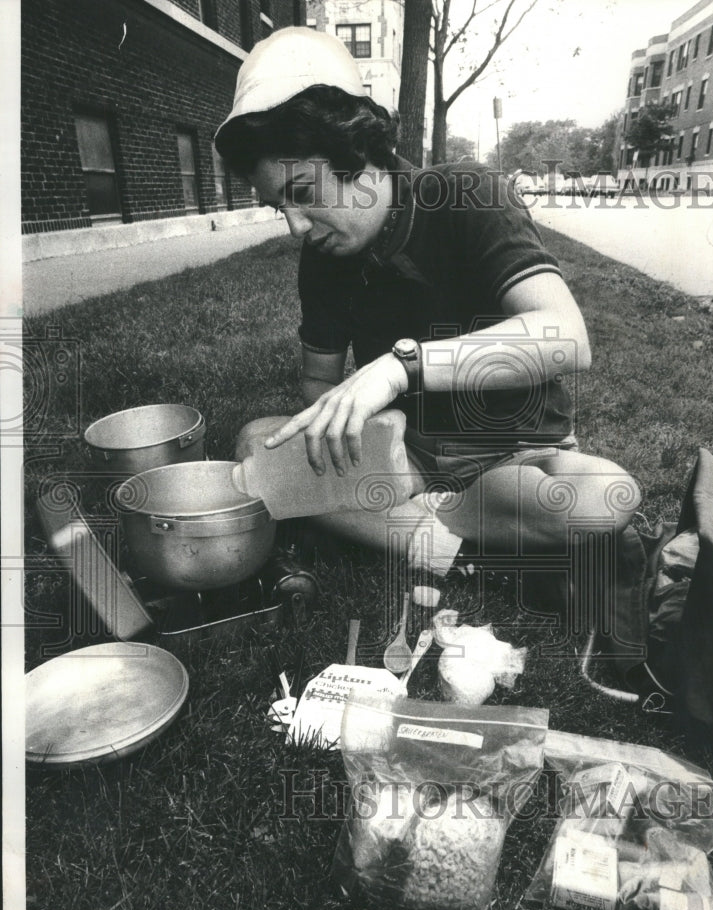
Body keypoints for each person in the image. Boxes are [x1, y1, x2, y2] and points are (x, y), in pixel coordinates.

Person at [215, 28, 642, 634]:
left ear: (356, 153)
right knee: (258, 445)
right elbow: (317, 384)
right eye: (277, 206)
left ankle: (432, 532)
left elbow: (567, 337)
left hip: (513, 450)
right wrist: (341, 432)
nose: (294, 226)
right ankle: (455, 551)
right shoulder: (324, 257)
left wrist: (399, 367)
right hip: (405, 455)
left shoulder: (466, 193)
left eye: (302, 194)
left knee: (603, 496)